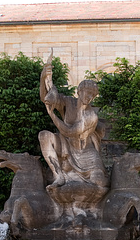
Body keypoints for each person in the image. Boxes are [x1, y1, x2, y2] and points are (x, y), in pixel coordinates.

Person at [38, 52, 108, 191]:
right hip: (65, 145)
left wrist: (52, 115)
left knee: (99, 182)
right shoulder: (68, 102)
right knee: (44, 135)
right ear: (79, 91)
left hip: (85, 154)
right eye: (86, 93)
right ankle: (58, 175)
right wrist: (44, 78)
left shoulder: (91, 116)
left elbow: (70, 132)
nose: (88, 97)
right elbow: (47, 97)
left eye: (92, 95)